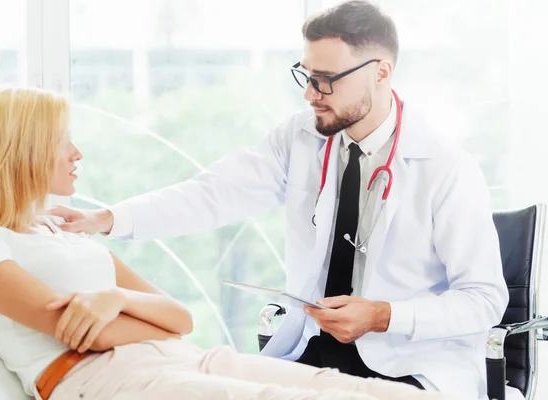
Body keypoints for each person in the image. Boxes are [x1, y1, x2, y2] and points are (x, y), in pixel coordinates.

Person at [50, 1, 509, 398]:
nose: (311, 94)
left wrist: (384, 316)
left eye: (327, 79)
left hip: (410, 362)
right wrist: (107, 218)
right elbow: (214, 193)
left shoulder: (446, 169)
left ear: (382, 73)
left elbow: (484, 300)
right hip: (313, 348)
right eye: (306, 76)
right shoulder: (301, 138)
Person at [0, 88, 456, 400]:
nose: (77, 153)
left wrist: (117, 299)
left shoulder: (60, 231)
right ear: (24, 149)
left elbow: (180, 318)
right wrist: (137, 318)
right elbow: (87, 338)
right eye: (63, 140)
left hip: (182, 356)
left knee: (370, 393)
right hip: (103, 381)